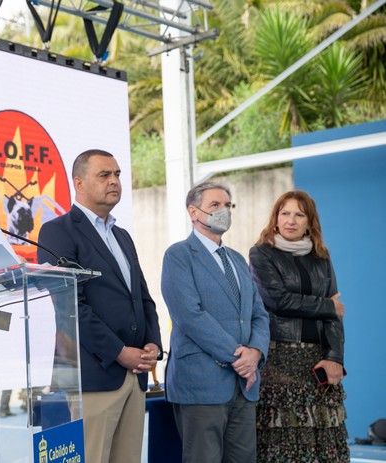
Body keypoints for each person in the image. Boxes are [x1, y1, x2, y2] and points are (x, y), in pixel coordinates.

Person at [37, 149, 162, 463]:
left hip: (134, 378)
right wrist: (120, 352)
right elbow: (69, 307)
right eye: (104, 175)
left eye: (117, 174)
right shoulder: (57, 232)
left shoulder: (122, 236)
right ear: (79, 183)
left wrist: (153, 344)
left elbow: (142, 298)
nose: (114, 181)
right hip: (92, 379)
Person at [161, 181, 270, 463]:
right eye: (215, 205)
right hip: (201, 383)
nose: (224, 211)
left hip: (244, 385)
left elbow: (258, 313)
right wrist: (240, 356)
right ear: (193, 212)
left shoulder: (236, 258)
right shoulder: (179, 255)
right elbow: (189, 315)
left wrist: (255, 353)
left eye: (227, 205)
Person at [249, 190, 348, 462]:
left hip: (318, 362)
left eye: (299, 214)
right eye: (285, 213)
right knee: (284, 444)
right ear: (276, 218)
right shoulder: (261, 254)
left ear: (309, 221)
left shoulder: (322, 257)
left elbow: (335, 317)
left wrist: (334, 357)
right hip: (278, 360)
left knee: (325, 444)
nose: (291, 220)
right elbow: (278, 300)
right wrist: (327, 305)